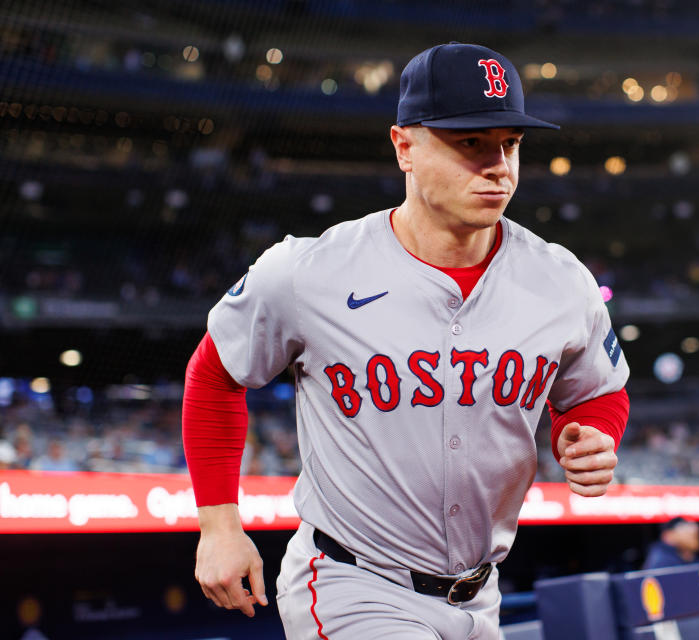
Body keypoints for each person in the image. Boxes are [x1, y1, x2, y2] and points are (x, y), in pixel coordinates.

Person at [182, 42, 630, 639]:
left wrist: (597, 433)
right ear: (404, 147)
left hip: (480, 594)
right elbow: (214, 374)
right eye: (470, 143)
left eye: (511, 144)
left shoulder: (560, 280)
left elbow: (599, 391)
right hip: (353, 584)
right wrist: (217, 523)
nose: (498, 165)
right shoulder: (308, 273)